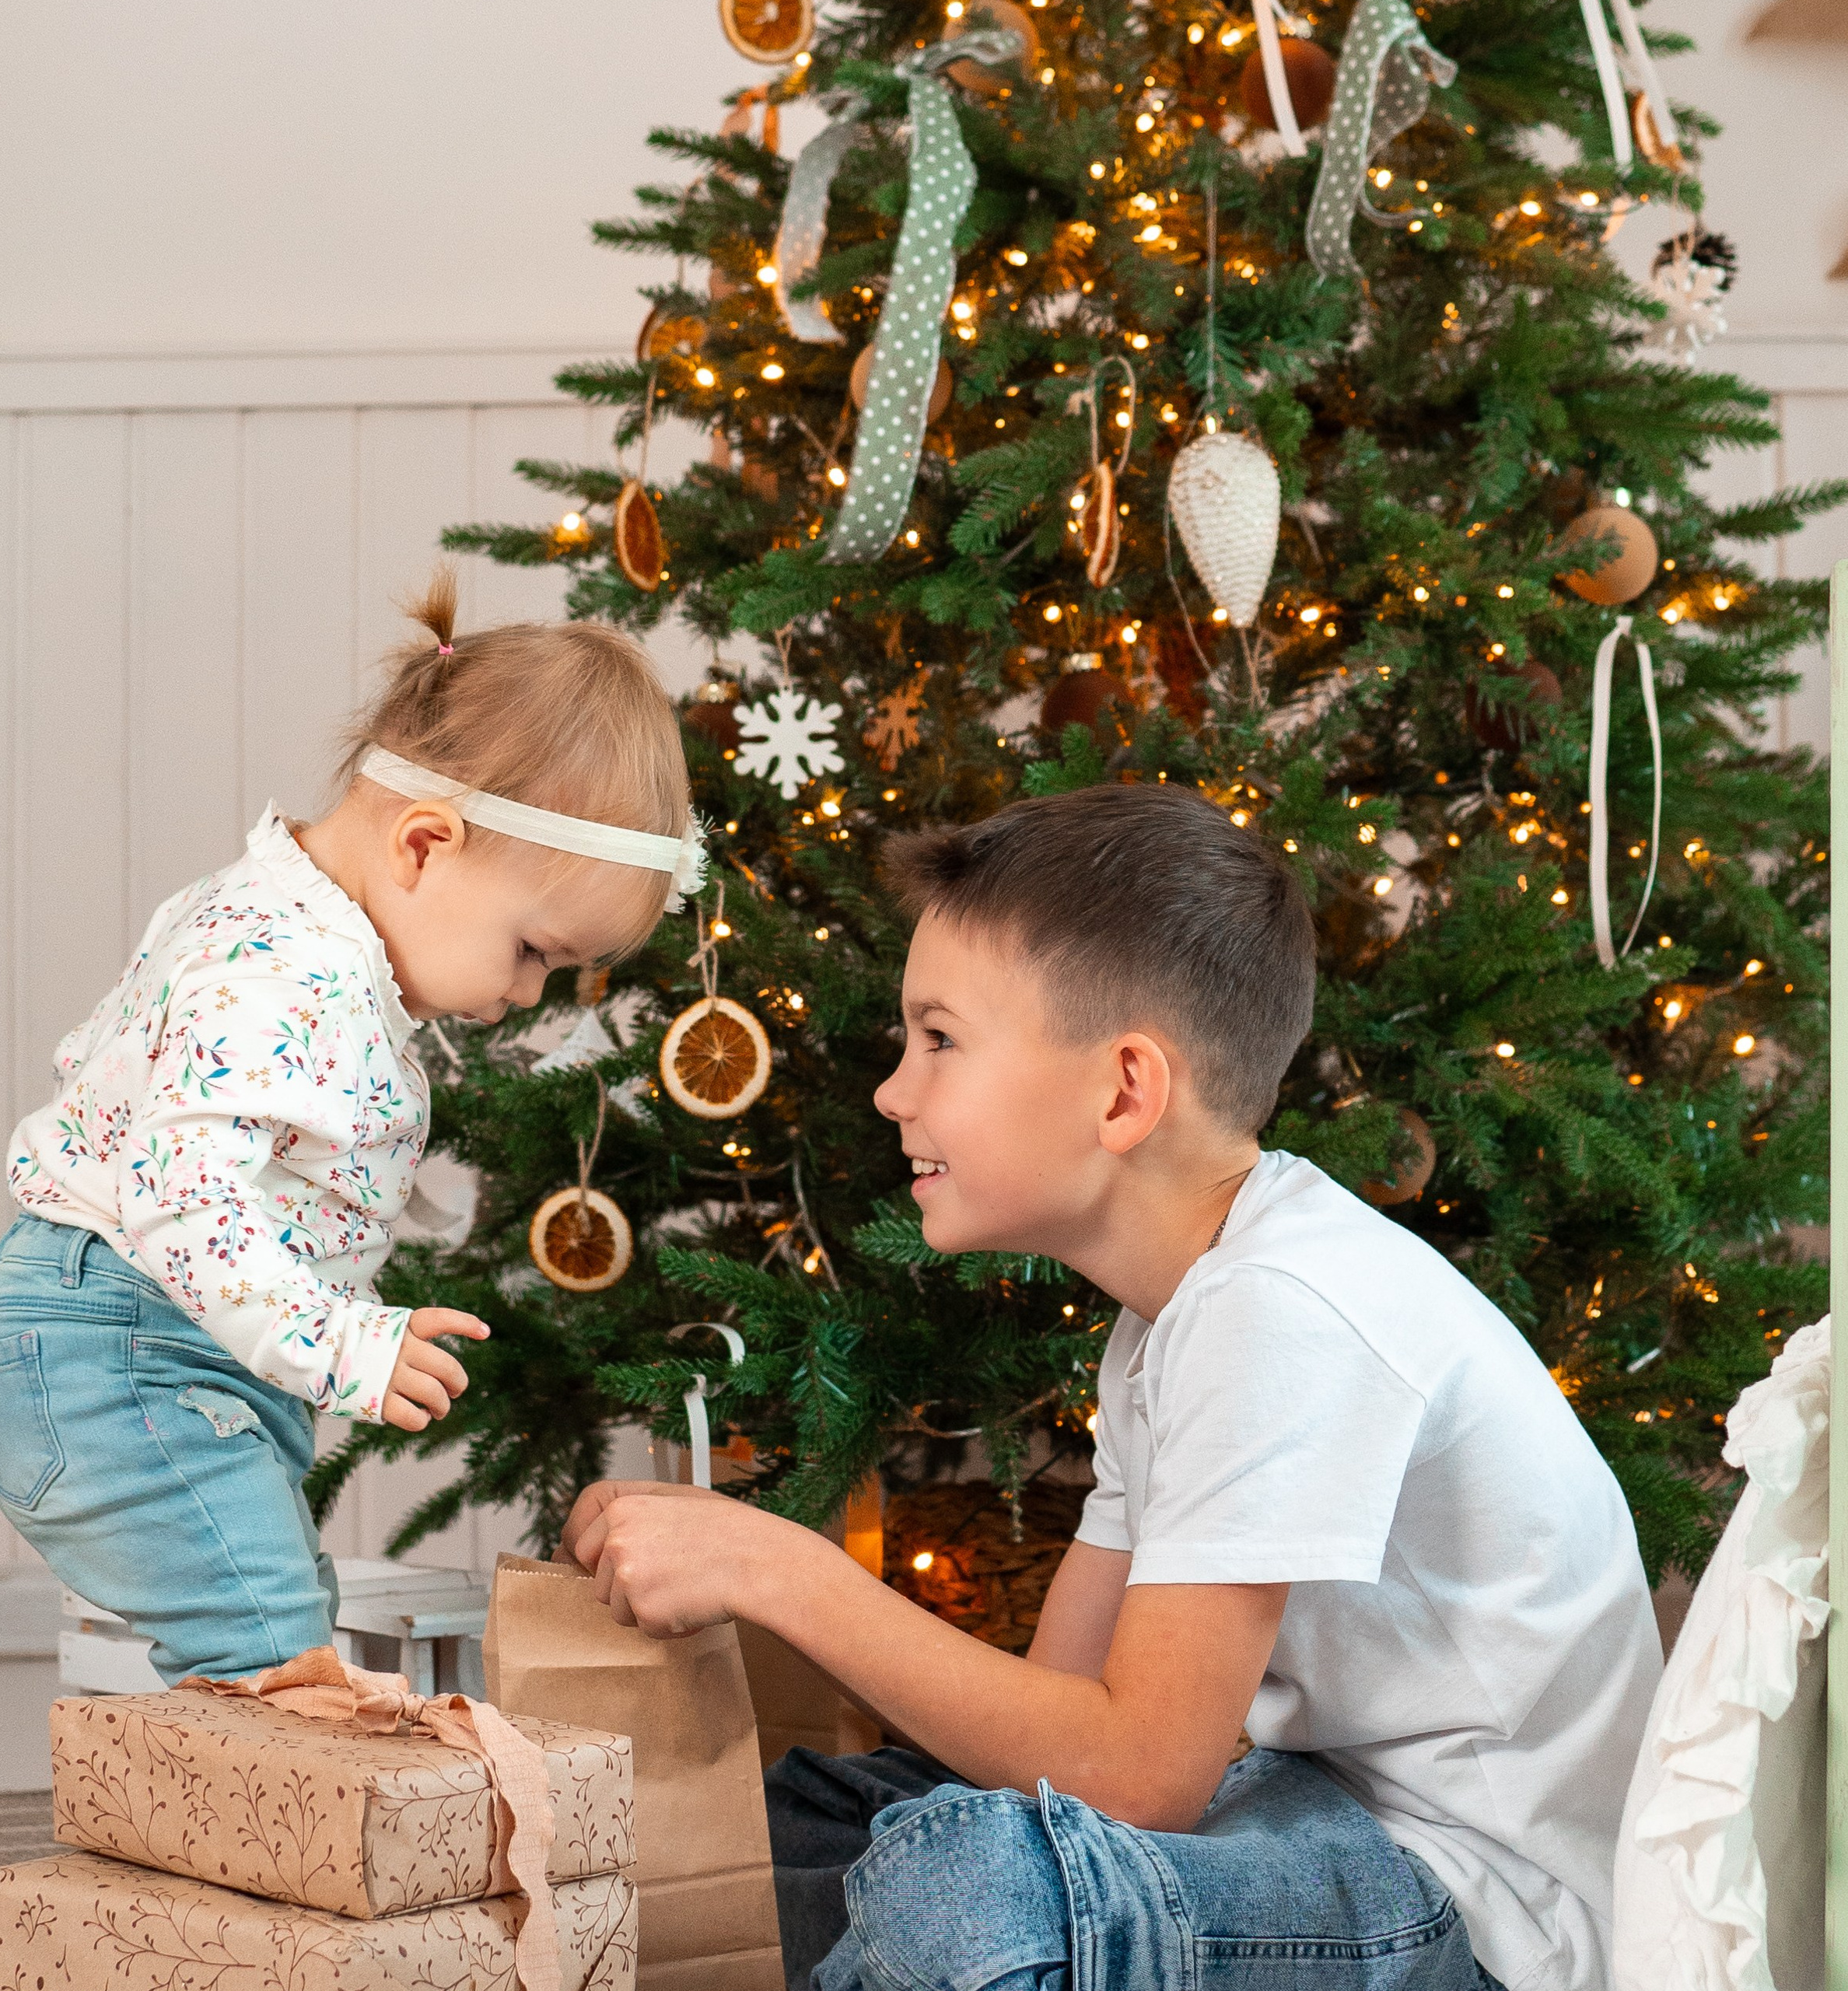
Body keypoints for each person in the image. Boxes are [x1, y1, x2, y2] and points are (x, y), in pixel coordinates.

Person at [559, 782, 1664, 1991]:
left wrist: (782, 1570)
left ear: (1125, 1092)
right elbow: (1055, 1727)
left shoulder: (1283, 1308)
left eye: (939, 1039)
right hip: (1312, 1822)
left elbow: (1139, 1774)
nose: (893, 1090)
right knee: (818, 1819)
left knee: (963, 1884)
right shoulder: (1172, 1322)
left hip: (1482, 1910)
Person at [0, 571, 698, 1684]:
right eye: (537, 952)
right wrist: (342, 1343)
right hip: (112, 1347)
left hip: (164, 1347)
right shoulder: (271, 963)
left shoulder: (320, 952)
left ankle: (237, 1827)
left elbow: (300, 1156)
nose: (531, 994)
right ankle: (262, 1843)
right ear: (424, 844)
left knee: (277, 1622)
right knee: (266, 1644)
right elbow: (188, 1202)